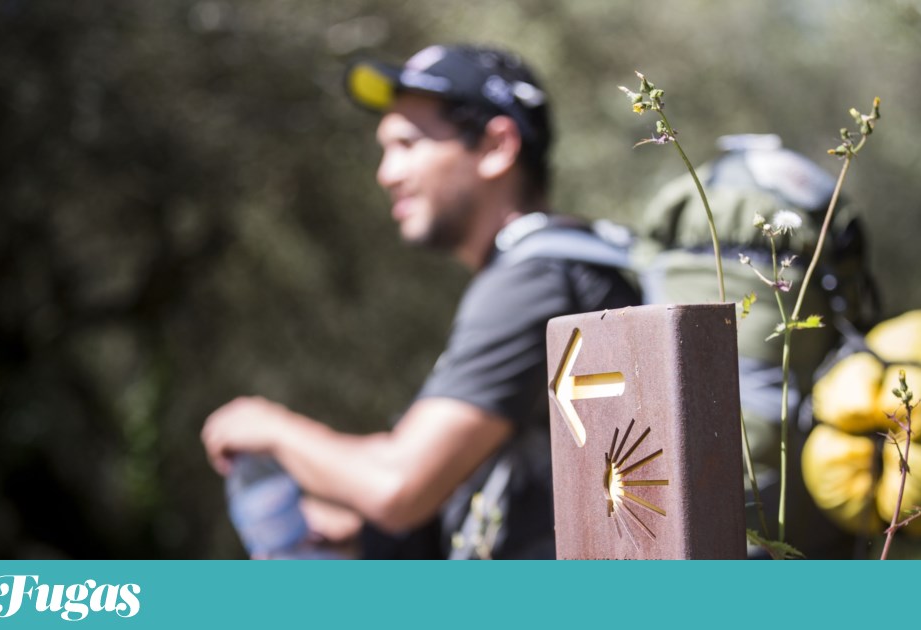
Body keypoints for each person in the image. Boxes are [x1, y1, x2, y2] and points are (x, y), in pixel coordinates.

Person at [201, 44, 640, 559]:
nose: (386, 173)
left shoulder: (535, 282)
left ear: (497, 145)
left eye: (408, 144)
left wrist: (271, 429)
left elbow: (398, 485)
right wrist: (357, 530)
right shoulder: (573, 264)